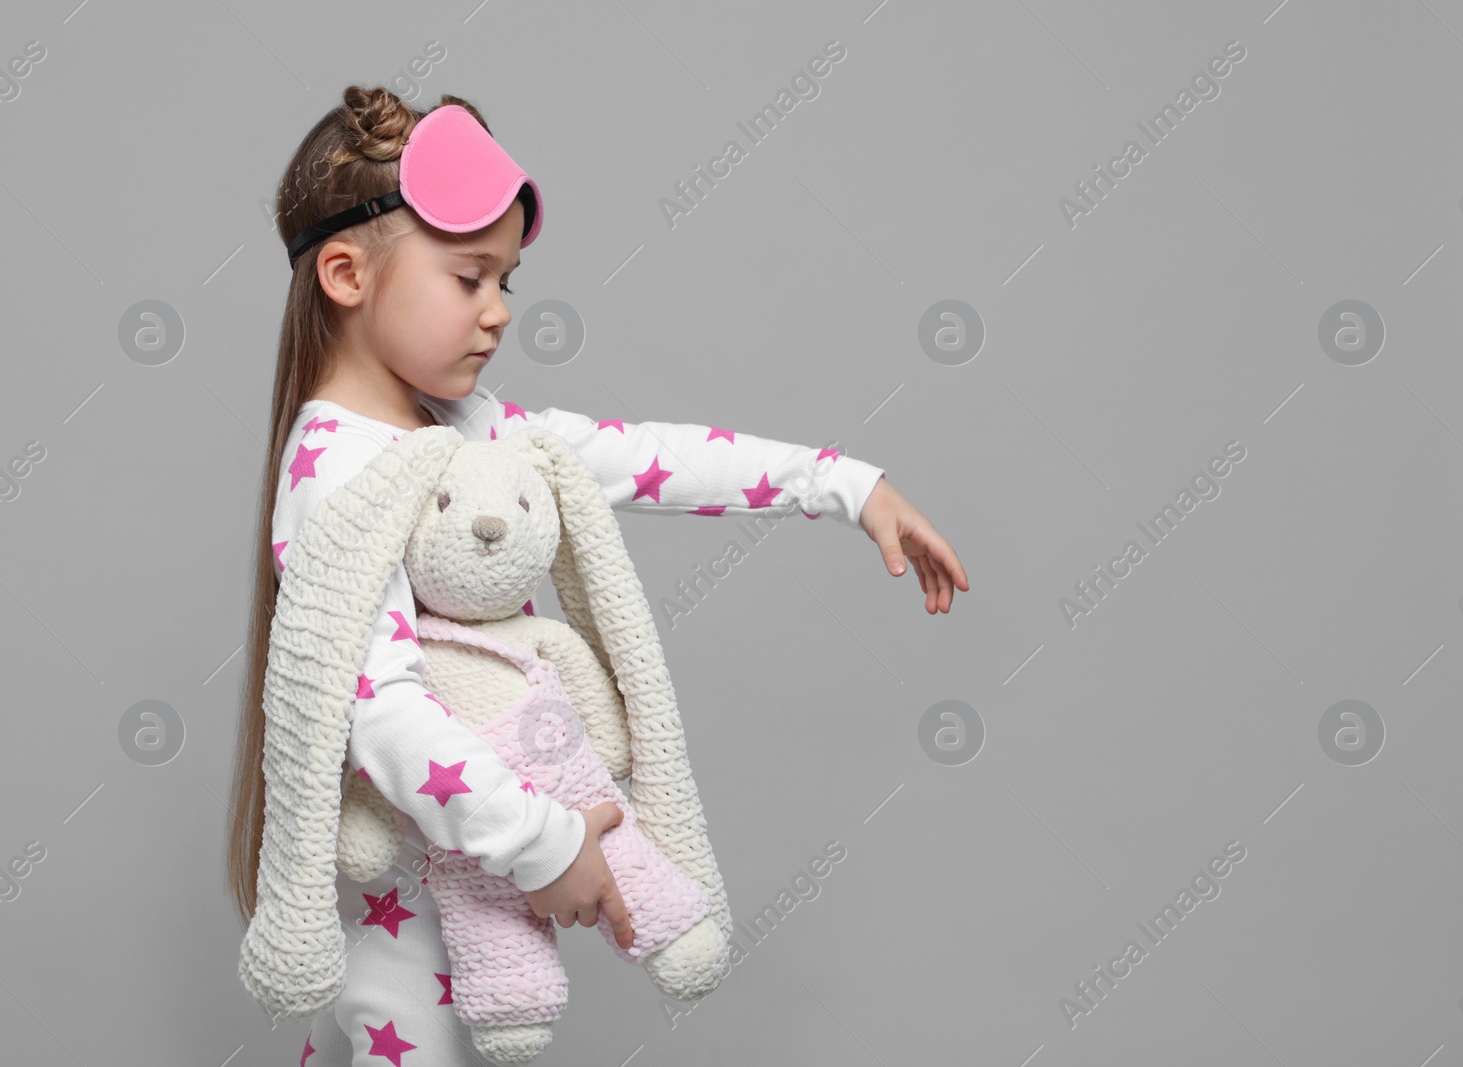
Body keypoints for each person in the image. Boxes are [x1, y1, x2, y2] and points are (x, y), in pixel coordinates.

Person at [226, 84, 969, 1065]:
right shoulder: (335, 472)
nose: (497, 313)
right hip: (405, 935)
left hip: (472, 914)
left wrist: (839, 483)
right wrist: (548, 841)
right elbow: (384, 710)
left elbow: (634, 455)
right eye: (468, 278)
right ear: (345, 273)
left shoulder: (469, 427)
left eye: (508, 283)